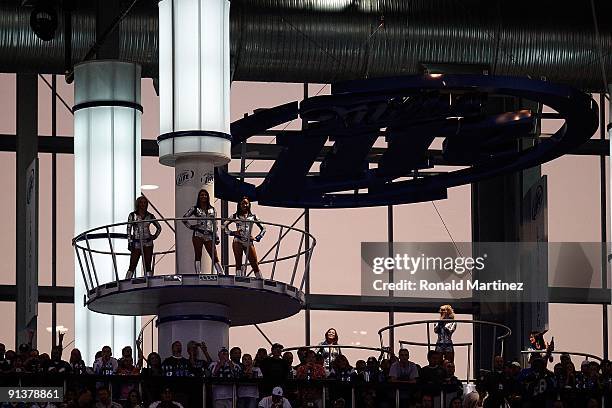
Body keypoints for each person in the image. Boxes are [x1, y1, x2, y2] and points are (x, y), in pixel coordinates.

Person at [182, 189, 223, 274]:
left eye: (205, 195)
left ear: (208, 197)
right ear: (199, 197)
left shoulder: (212, 209)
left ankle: (221, 272)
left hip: (209, 234)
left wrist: (216, 236)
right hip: (198, 234)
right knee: (198, 254)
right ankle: (198, 273)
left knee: (214, 255)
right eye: (201, 195)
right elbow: (184, 218)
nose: (203, 196)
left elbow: (215, 223)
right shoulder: (195, 209)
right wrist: (191, 227)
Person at [223, 197, 266, 277]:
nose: (244, 205)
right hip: (238, 240)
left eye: (246, 203)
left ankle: (260, 280)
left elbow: (263, 228)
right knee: (238, 262)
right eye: (242, 203)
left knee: (254, 263)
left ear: (249, 205)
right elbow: (223, 226)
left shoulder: (253, 217)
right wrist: (232, 232)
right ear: (239, 205)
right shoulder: (234, 216)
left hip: (249, 241)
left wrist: (257, 237)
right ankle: (238, 278)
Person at [126, 196, 161, 278]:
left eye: (145, 202)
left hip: (148, 241)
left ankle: (149, 281)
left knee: (148, 264)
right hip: (136, 242)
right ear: (138, 204)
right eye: (141, 202)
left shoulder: (150, 216)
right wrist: (130, 241)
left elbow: (159, 227)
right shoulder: (132, 215)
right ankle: (127, 281)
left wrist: (154, 236)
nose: (143, 204)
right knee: (132, 265)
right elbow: (128, 229)